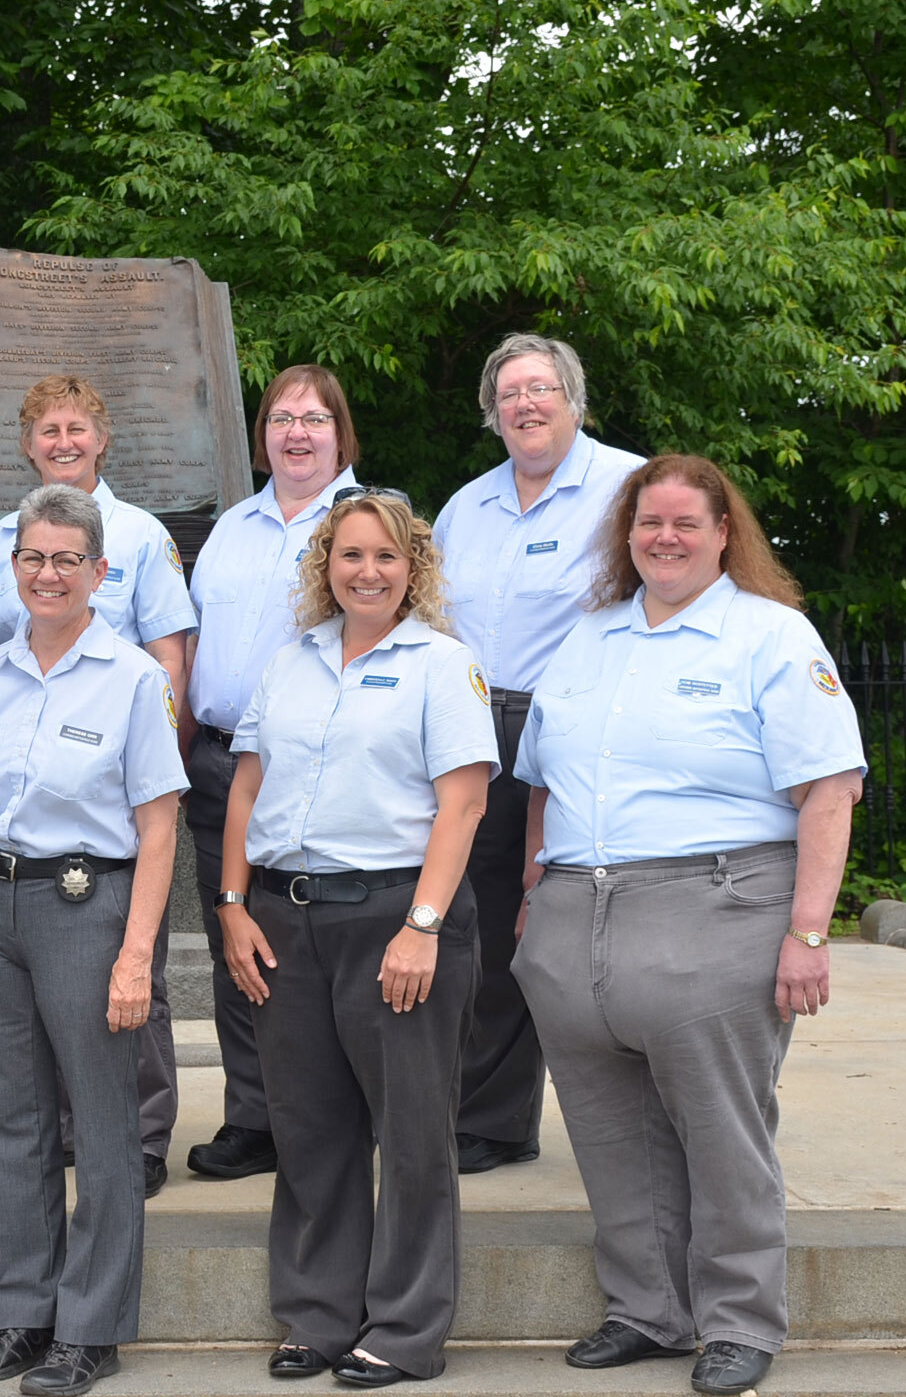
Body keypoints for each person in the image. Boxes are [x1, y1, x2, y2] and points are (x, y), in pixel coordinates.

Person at [511, 454, 864, 1397]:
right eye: (647, 523)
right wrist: (533, 890)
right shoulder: (589, 639)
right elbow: (542, 778)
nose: (664, 538)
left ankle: (741, 1321)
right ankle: (646, 1309)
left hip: (719, 903)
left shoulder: (772, 637)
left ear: (722, 534)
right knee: (608, 1130)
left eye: (684, 524)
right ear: (626, 535)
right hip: (576, 908)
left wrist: (810, 934)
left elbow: (831, 788)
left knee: (721, 1130)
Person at [214, 490, 496, 1389]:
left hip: (395, 921)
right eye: (349, 556)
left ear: (413, 569)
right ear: (324, 566)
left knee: (413, 1133)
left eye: (385, 557)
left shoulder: (443, 665)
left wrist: (423, 926)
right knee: (308, 1127)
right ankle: (316, 1316)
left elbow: (465, 804)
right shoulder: (289, 663)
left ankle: (406, 1330)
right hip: (284, 920)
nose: (366, 571)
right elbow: (246, 788)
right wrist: (229, 903)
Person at [0, 484, 188, 1397]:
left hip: (89, 907)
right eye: (32, 559)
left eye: (67, 560)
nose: (48, 575)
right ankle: (22, 1312)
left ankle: (89, 1328)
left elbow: (160, 826)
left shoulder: (134, 678)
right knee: (9, 1122)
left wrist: (136, 954)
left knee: (100, 1125)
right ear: (11, 570)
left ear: (98, 573)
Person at [0, 375, 195, 1195]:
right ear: (28, 445)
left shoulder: (140, 533)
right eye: (47, 431)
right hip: (31, 774)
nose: (63, 442)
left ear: (102, 439)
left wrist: (153, 765)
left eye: (77, 429)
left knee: (133, 983)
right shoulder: (4, 536)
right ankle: (43, 1127)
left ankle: (139, 1132)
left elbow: (170, 650)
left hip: (115, 764)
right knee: (40, 999)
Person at [432, 335, 642, 1173]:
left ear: (574, 400)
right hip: (475, 733)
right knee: (480, 925)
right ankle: (490, 1118)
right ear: (493, 413)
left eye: (541, 388)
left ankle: (640, 1113)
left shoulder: (628, 487)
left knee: (576, 924)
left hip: (577, 734)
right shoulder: (465, 508)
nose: (525, 404)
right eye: (509, 393)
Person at [177, 364, 361, 1182]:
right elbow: (197, 650)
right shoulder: (232, 528)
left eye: (314, 419)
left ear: (340, 435)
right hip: (221, 764)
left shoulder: (369, 522)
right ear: (263, 437)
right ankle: (254, 1116)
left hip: (323, 768)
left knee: (324, 947)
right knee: (235, 942)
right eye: (282, 418)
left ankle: (330, 1118)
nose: (297, 433)